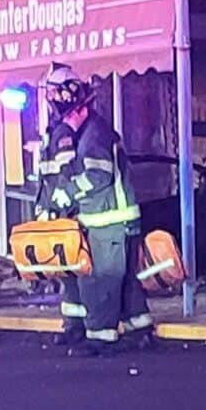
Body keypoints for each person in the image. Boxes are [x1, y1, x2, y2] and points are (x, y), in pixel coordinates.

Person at [44, 64, 153, 355]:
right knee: (124, 280)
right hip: (116, 220)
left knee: (101, 280)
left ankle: (101, 337)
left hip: (108, 222)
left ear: (81, 108)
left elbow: (98, 176)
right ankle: (140, 329)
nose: (67, 120)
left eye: (70, 114)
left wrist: (68, 192)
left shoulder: (93, 135)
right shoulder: (92, 131)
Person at [37, 64, 85, 345]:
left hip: (68, 211)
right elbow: (47, 176)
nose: (51, 98)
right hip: (57, 209)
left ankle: (78, 325)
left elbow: (66, 172)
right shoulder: (55, 129)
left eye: (54, 92)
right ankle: (72, 324)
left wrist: (61, 202)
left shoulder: (66, 131)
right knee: (66, 271)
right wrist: (44, 206)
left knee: (75, 269)